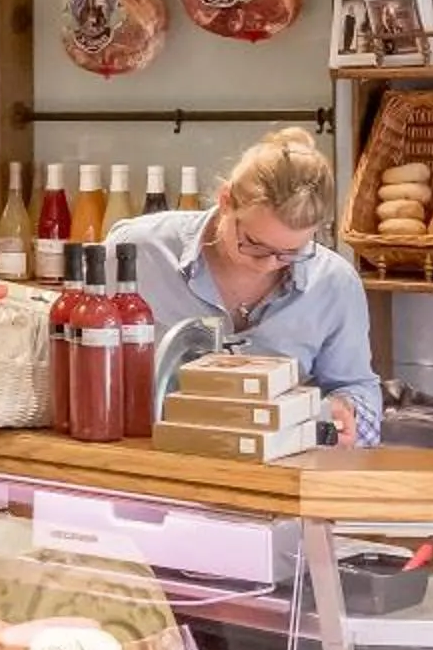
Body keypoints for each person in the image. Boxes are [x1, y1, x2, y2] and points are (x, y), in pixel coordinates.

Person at [104, 126, 383, 444]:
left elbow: (359, 387)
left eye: (291, 252)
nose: (268, 264)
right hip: (144, 457)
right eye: (254, 244)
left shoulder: (334, 283)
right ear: (226, 201)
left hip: (278, 465)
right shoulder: (138, 252)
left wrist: (345, 409)